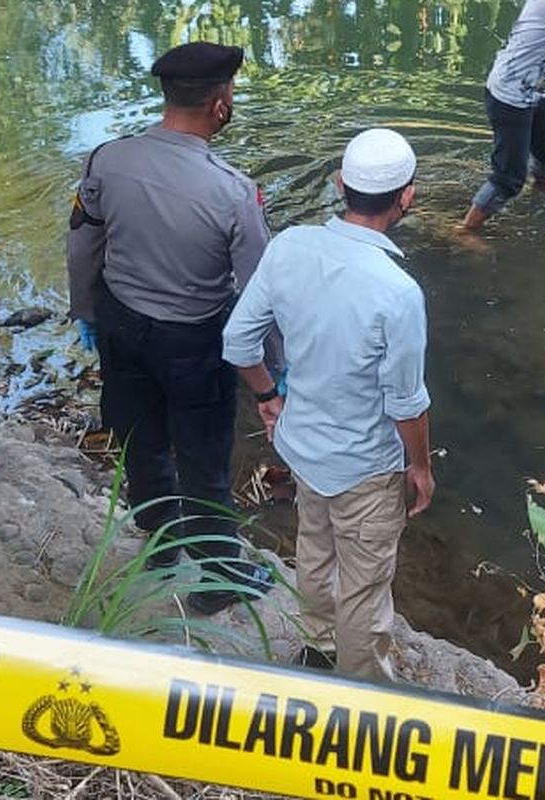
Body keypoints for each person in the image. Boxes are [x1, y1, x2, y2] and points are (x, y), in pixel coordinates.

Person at [66, 42, 278, 616]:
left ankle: (160, 543)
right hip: (193, 341)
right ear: (219, 105)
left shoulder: (108, 159)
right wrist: (272, 380)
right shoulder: (233, 191)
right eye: (228, 92)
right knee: (204, 459)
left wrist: (84, 310)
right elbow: (260, 293)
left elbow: (84, 240)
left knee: (141, 439)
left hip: (120, 325)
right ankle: (218, 577)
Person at [223, 128, 435, 683]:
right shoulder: (398, 292)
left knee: (315, 550)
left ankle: (316, 650)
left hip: (302, 444)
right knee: (364, 583)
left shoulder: (290, 244)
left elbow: (238, 342)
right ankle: (361, 688)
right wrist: (421, 467)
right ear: (406, 197)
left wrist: (269, 397)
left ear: (340, 184)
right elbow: (406, 402)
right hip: (365, 465)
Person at [461, 0, 545, 230]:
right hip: (511, 95)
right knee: (509, 180)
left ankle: (541, 188)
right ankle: (464, 231)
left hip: (528, 87)